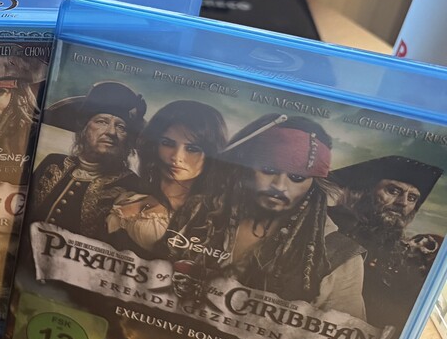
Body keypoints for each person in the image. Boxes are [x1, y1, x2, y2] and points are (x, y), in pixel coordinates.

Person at [220, 114, 367, 320]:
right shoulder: (203, 216)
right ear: (245, 169)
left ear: (314, 184)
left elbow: (342, 335)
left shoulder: (338, 256)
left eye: (297, 177)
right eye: (269, 169)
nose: (279, 186)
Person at [24, 81, 147, 239]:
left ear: (127, 139)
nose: (111, 132)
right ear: (84, 128)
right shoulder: (53, 162)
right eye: (102, 122)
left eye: (121, 127)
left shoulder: (133, 184)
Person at [105, 100, 228, 256]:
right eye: (167, 143)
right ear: (154, 145)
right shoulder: (128, 193)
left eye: (192, 149)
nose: (176, 157)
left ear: (212, 155)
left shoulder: (209, 216)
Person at [328, 156, 443, 320]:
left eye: (412, 198)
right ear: (364, 190)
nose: (403, 203)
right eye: (393, 191)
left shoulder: (396, 252)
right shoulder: (328, 222)